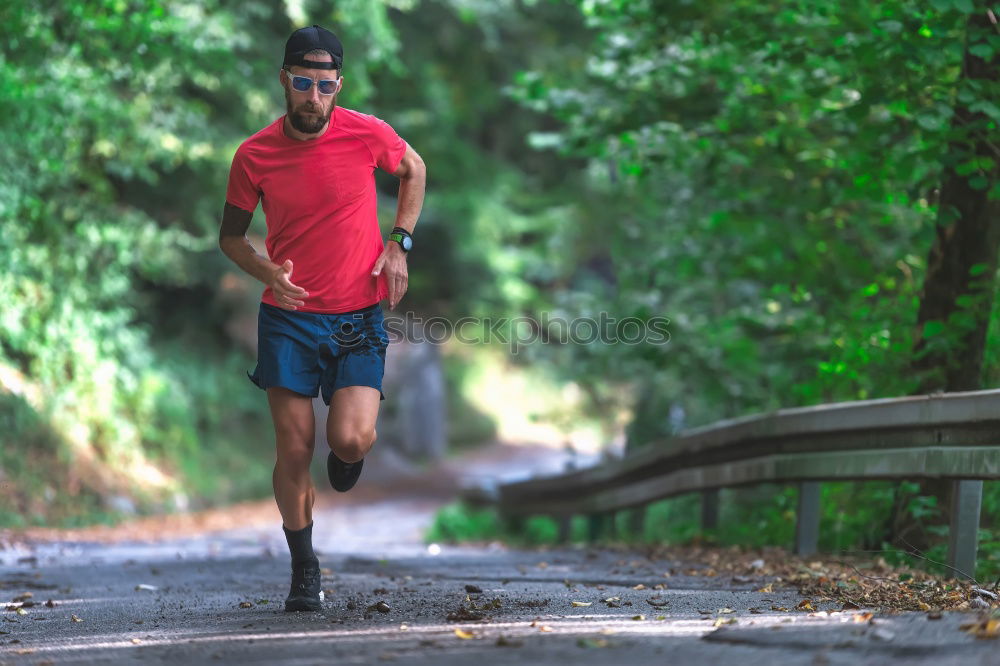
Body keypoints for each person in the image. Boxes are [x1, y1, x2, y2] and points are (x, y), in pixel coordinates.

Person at [218, 24, 426, 612]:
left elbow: (414, 169)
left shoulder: (366, 133)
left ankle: (346, 456)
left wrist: (398, 244)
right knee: (291, 448)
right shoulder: (254, 154)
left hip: (358, 313)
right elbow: (231, 239)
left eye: (325, 85)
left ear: (339, 85)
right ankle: (304, 565)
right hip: (288, 315)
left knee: (352, 438)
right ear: (285, 80)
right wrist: (266, 273)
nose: (314, 96)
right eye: (303, 83)